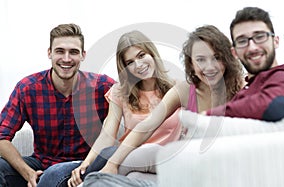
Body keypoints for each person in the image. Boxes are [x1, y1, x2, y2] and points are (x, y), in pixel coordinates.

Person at [81, 25, 245, 186]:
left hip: (213, 169)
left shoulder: (242, 88)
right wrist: (111, 164)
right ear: (191, 64)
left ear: (228, 56)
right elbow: (146, 126)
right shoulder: (185, 90)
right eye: (200, 60)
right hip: (183, 167)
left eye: (216, 57)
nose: (209, 66)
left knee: (143, 155)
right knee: (133, 176)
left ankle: (90, 181)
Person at [0, 23, 115, 187]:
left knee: (54, 174)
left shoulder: (102, 87)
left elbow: (134, 107)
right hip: (41, 163)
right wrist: (28, 173)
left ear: (83, 55)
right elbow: (2, 136)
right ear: (49, 53)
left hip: (82, 166)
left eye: (73, 52)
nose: (66, 59)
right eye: (60, 51)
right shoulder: (28, 88)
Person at [67, 30, 183, 187]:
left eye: (142, 55)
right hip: (130, 162)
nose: (139, 64)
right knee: (132, 176)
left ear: (152, 54)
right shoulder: (120, 92)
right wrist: (86, 163)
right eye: (130, 62)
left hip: (163, 161)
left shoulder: (177, 89)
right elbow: (107, 135)